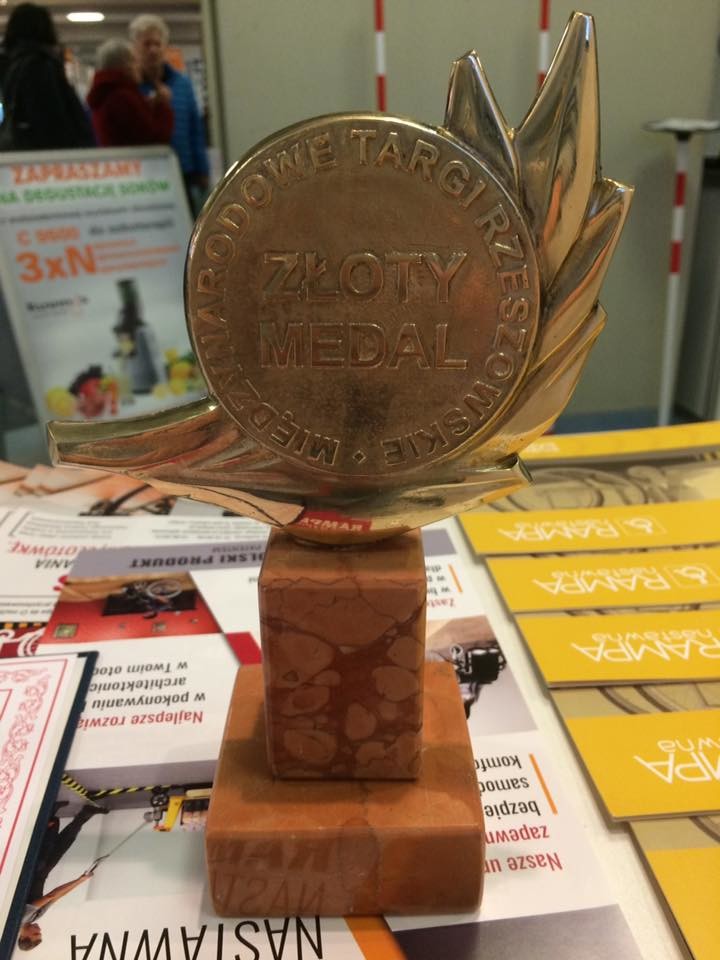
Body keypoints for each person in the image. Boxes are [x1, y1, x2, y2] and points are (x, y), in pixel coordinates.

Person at [129, 14, 209, 210]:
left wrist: (203, 170)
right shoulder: (128, 87)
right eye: (147, 44)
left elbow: (195, 130)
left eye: (157, 44)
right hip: (141, 175)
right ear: (135, 47)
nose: (153, 50)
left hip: (182, 172)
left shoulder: (183, 84)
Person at [0, 2, 94, 150]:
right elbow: (51, 119)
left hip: (23, 150)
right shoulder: (40, 65)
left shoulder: (12, 66)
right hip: (51, 153)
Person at [17, 802, 108, 951]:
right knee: (64, 843)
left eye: (35, 933)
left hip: (32, 870)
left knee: (51, 835)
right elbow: (57, 897)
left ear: (22, 936)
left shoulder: (21, 919)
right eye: (39, 933)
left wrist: (80, 880)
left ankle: (50, 809)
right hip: (42, 873)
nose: (39, 930)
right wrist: (80, 880)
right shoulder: (34, 917)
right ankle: (85, 813)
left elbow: (51, 895)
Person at [86, 39, 173, 148]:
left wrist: (148, 108)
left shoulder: (105, 92)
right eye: (134, 61)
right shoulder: (122, 98)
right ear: (125, 65)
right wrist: (162, 106)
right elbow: (155, 138)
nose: (139, 66)